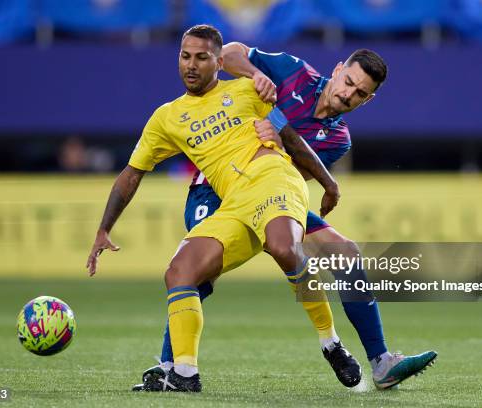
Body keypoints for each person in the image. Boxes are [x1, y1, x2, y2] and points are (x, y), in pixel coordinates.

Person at [138, 41, 437, 391]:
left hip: (272, 193)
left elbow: (291, 176)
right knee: (197, 274)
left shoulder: (338, 139)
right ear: (338, 69)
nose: (348, 94)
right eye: (349, 81)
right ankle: (169, 365)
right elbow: (230, 53)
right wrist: (256, 75)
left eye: (359, 93)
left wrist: (277, 133)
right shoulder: (294, 71)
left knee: (346, 254)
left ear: (367, 101)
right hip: (214, 189)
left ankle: (381, 362)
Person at [87, 24, 346, 393]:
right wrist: (103, 228)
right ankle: (185, 375)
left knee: (285, 247)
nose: (191, 65)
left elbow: (290, 136)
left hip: (273, 178)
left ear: (218, 62)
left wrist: (328, 182)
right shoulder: (167, 118)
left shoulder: (246, 91)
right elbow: (131, 175)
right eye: (185, 56)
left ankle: (330, 343)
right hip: (233, 203)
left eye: (202, 58)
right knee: (179, 272)